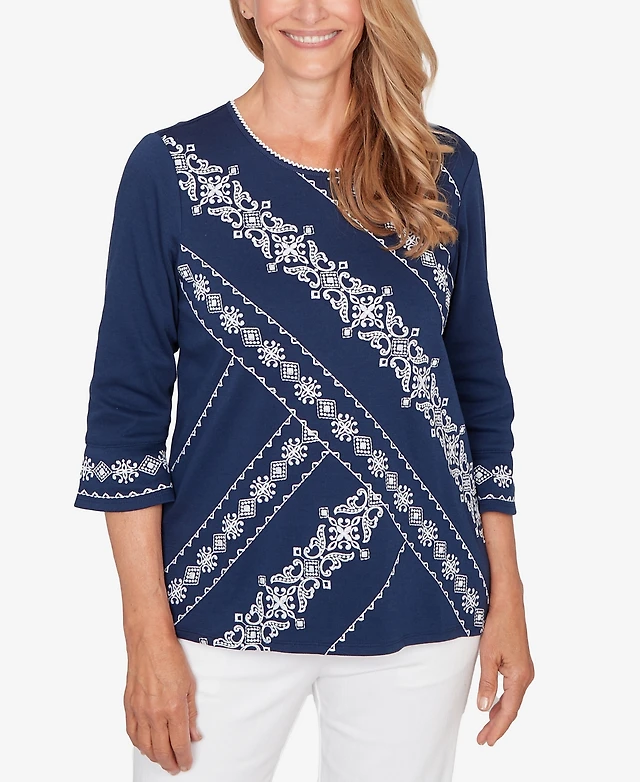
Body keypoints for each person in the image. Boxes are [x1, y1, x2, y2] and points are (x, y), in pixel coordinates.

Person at [74, 1, 534, 779]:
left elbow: (479, 394)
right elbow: (125, 416)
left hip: (422, 593)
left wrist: (508, 594)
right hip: (219, 601)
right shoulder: (172, 170)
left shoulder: (439, 168)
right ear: (245, 4)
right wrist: (145, 633)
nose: (310, 10)